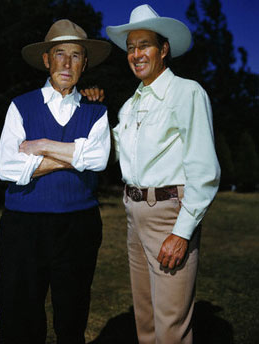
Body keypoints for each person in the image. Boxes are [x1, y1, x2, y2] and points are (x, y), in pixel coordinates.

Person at [105, 4, 220, 344]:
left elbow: (204, 170)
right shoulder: (130, 106)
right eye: (130, 48)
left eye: (144, 46)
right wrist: (89, 108)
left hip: (169, 215)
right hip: (134, 215)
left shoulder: (186, 92)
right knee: (146, 323)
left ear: (164, 49)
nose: (136, 54)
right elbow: (107, 152)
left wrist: (182, 232)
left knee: (170, 327)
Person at [0, 19, 111, 344]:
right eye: (59, 53)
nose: (67, 62)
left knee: (72, 318)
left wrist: (42, 146)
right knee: (19, 316)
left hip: (79, 225)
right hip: (24, 226)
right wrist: (75, 156)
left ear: (84, 64)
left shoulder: (96, 111)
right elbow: (7, 166)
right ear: (46, 59)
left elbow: (98, 160)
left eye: (76, 55)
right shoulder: (21, 106)